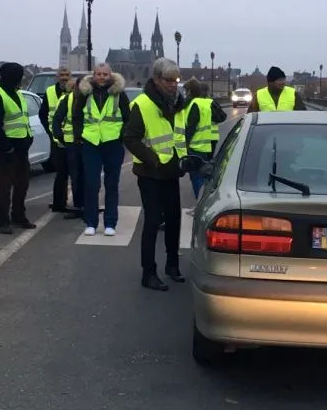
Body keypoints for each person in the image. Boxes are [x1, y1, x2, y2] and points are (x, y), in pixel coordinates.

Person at [124, 58, 185, 291]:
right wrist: (155, 160)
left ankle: (172, 265)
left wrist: (184, 160)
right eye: (168, 80)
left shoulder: (178, 102)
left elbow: (178, 135)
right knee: (152, 221)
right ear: (157, 79)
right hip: (150, 172)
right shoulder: (142, 104)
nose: (173, 84)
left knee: (174, 219)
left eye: (175, 80)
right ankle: (148, 273)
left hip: (172, 171)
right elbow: (130, 138)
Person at [53, 62, 132, 234]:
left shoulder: (119, 95)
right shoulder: (85, 93)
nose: (102, 77)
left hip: (113, 143)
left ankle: (110, 223)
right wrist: (79, 135)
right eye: (98, 74)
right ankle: (91, 222)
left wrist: (122, 136)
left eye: (105, 74)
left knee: (112, 184)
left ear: (110, 76)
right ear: (94, 75)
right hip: (91, 143)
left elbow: (128, 118)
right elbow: (77, 115)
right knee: (91, 184)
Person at [0, 62, 37, 235]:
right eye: (18, 76)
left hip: (21, 147)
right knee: (4, 186)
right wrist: (6, 147)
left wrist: (28, 139)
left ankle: (18, 216)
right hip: (6, 149)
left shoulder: (17, 93)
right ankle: (3, 220)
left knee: (22, 184)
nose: (20, 79)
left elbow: (22, 119)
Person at [178, 77, 226, 205]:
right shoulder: (203, 103)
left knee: (196, 177)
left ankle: (201, 205)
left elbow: (190, 127)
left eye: (186, 91)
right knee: (203, 174)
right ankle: (205, 201)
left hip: (195, 145)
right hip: (205, 144)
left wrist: (184, 146)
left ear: (190, 91)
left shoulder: (193, 104)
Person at [40, 66, 76, 215]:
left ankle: (77, 203)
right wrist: (51, 133)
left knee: (75, 172)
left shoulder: (75, 91)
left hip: (73, 139)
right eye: (61, 75)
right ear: (57, 77)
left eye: (67, 75)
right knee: (61, 173)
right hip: (56, 139)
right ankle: (58, 203)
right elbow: (43, 114)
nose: (64, 77)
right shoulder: (49, 92)